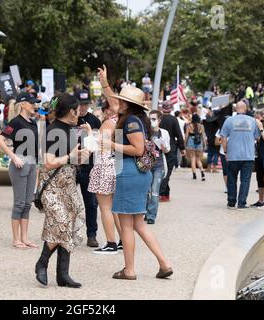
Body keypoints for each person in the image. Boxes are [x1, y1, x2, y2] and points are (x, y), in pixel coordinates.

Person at [103, 86, 172, 281]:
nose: (118, 103)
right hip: (138, 174)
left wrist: (111, 144)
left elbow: (138, 149)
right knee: (139, 224)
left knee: (126, 226)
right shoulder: (138, 119)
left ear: (129, 104)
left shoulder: (131, 121)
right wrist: (105, 83)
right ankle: (164, 264)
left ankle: (130, 269)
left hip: (129, 173)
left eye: (122, 101)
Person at [34, 93, 90, 288]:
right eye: (77, 109)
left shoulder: (71, 130)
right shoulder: (53, 131)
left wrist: (84, 150)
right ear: (70, 111)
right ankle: (42, 263)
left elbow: (76, 159)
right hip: (53, 186)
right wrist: (71, 156)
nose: (80, 112)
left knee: (71, 222)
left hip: (69, 184)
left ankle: (62, 274)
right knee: (61, 222)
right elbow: (48, 163)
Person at [0, 92, 40, 249]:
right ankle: (16, 239)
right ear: (23, 104)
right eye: (31, 103)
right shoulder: (15, 122)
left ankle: (25, 237)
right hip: (20, 163)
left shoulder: (33, 123)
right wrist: (13, 157)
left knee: (28, 203)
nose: (34, 105)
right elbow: (0, 140)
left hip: (32, 163)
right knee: (19, 203)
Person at [88, 65, 122, 254]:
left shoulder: (109, 123)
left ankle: (110, 243)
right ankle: (121, 239)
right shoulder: (127, 121)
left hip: (104, 165)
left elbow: (97, 147)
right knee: (114, 208)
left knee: (105, 208)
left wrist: (88, 134)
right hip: (117, 165)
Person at [75, 89, 102, 248]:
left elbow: (97, 145)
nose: (83, 107)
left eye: (85, 104)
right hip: (70, 165)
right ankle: (67, 232)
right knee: (68, 201)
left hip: (88, 167)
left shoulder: (94, 121)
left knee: (91, 203)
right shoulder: (69, 118)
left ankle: (92, 235)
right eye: (80, 104)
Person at [221, 101, 260, 210]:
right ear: (246, 108)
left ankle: (231, 203)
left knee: (232, 179)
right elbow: (258, 137)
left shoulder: (228, 120)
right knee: (245, 180)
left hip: (233, 155)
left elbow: (223, 137)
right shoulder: (253, 121)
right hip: (248, 156)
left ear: (235, 109)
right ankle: (242, 203)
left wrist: (225, 152)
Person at [146, 110, 170, 224]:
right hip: (146, 164)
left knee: (155, 190)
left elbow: (167, 149)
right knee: (146, 190)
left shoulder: (164, 133)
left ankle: (151, 216)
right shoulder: (146, 131)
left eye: (154, 119)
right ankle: (145, 211)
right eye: (150, 118)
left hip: (159, 165)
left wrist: (163, 147)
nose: (151, 121)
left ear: (159, 120)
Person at [159, 102, 186, 202]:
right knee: (168, 171)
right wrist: (182, 148)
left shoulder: (159, 118)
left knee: (162, 170)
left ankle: (165, 194)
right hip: (171, 148)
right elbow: (179, 134)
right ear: (171, 109)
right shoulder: (173, 119)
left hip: (159, 147)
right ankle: (160, 192)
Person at [251, 110, 264, 208]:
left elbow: (263, 139)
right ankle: (261, 200)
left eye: (258, 118)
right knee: (259, 177)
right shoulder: (254, 126)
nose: (256, 120)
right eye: (255, 118)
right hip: (258, 154)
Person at [185, 114, 206, 181]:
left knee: (193, 159)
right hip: (199, 142)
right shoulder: (201, 126)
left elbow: (186, 136)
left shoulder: (189, 126)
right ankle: (202, 173)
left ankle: (194, 175)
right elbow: (203, 136)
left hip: (191, 142)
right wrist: (204, 144)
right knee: (198, 159)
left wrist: (184, 144)